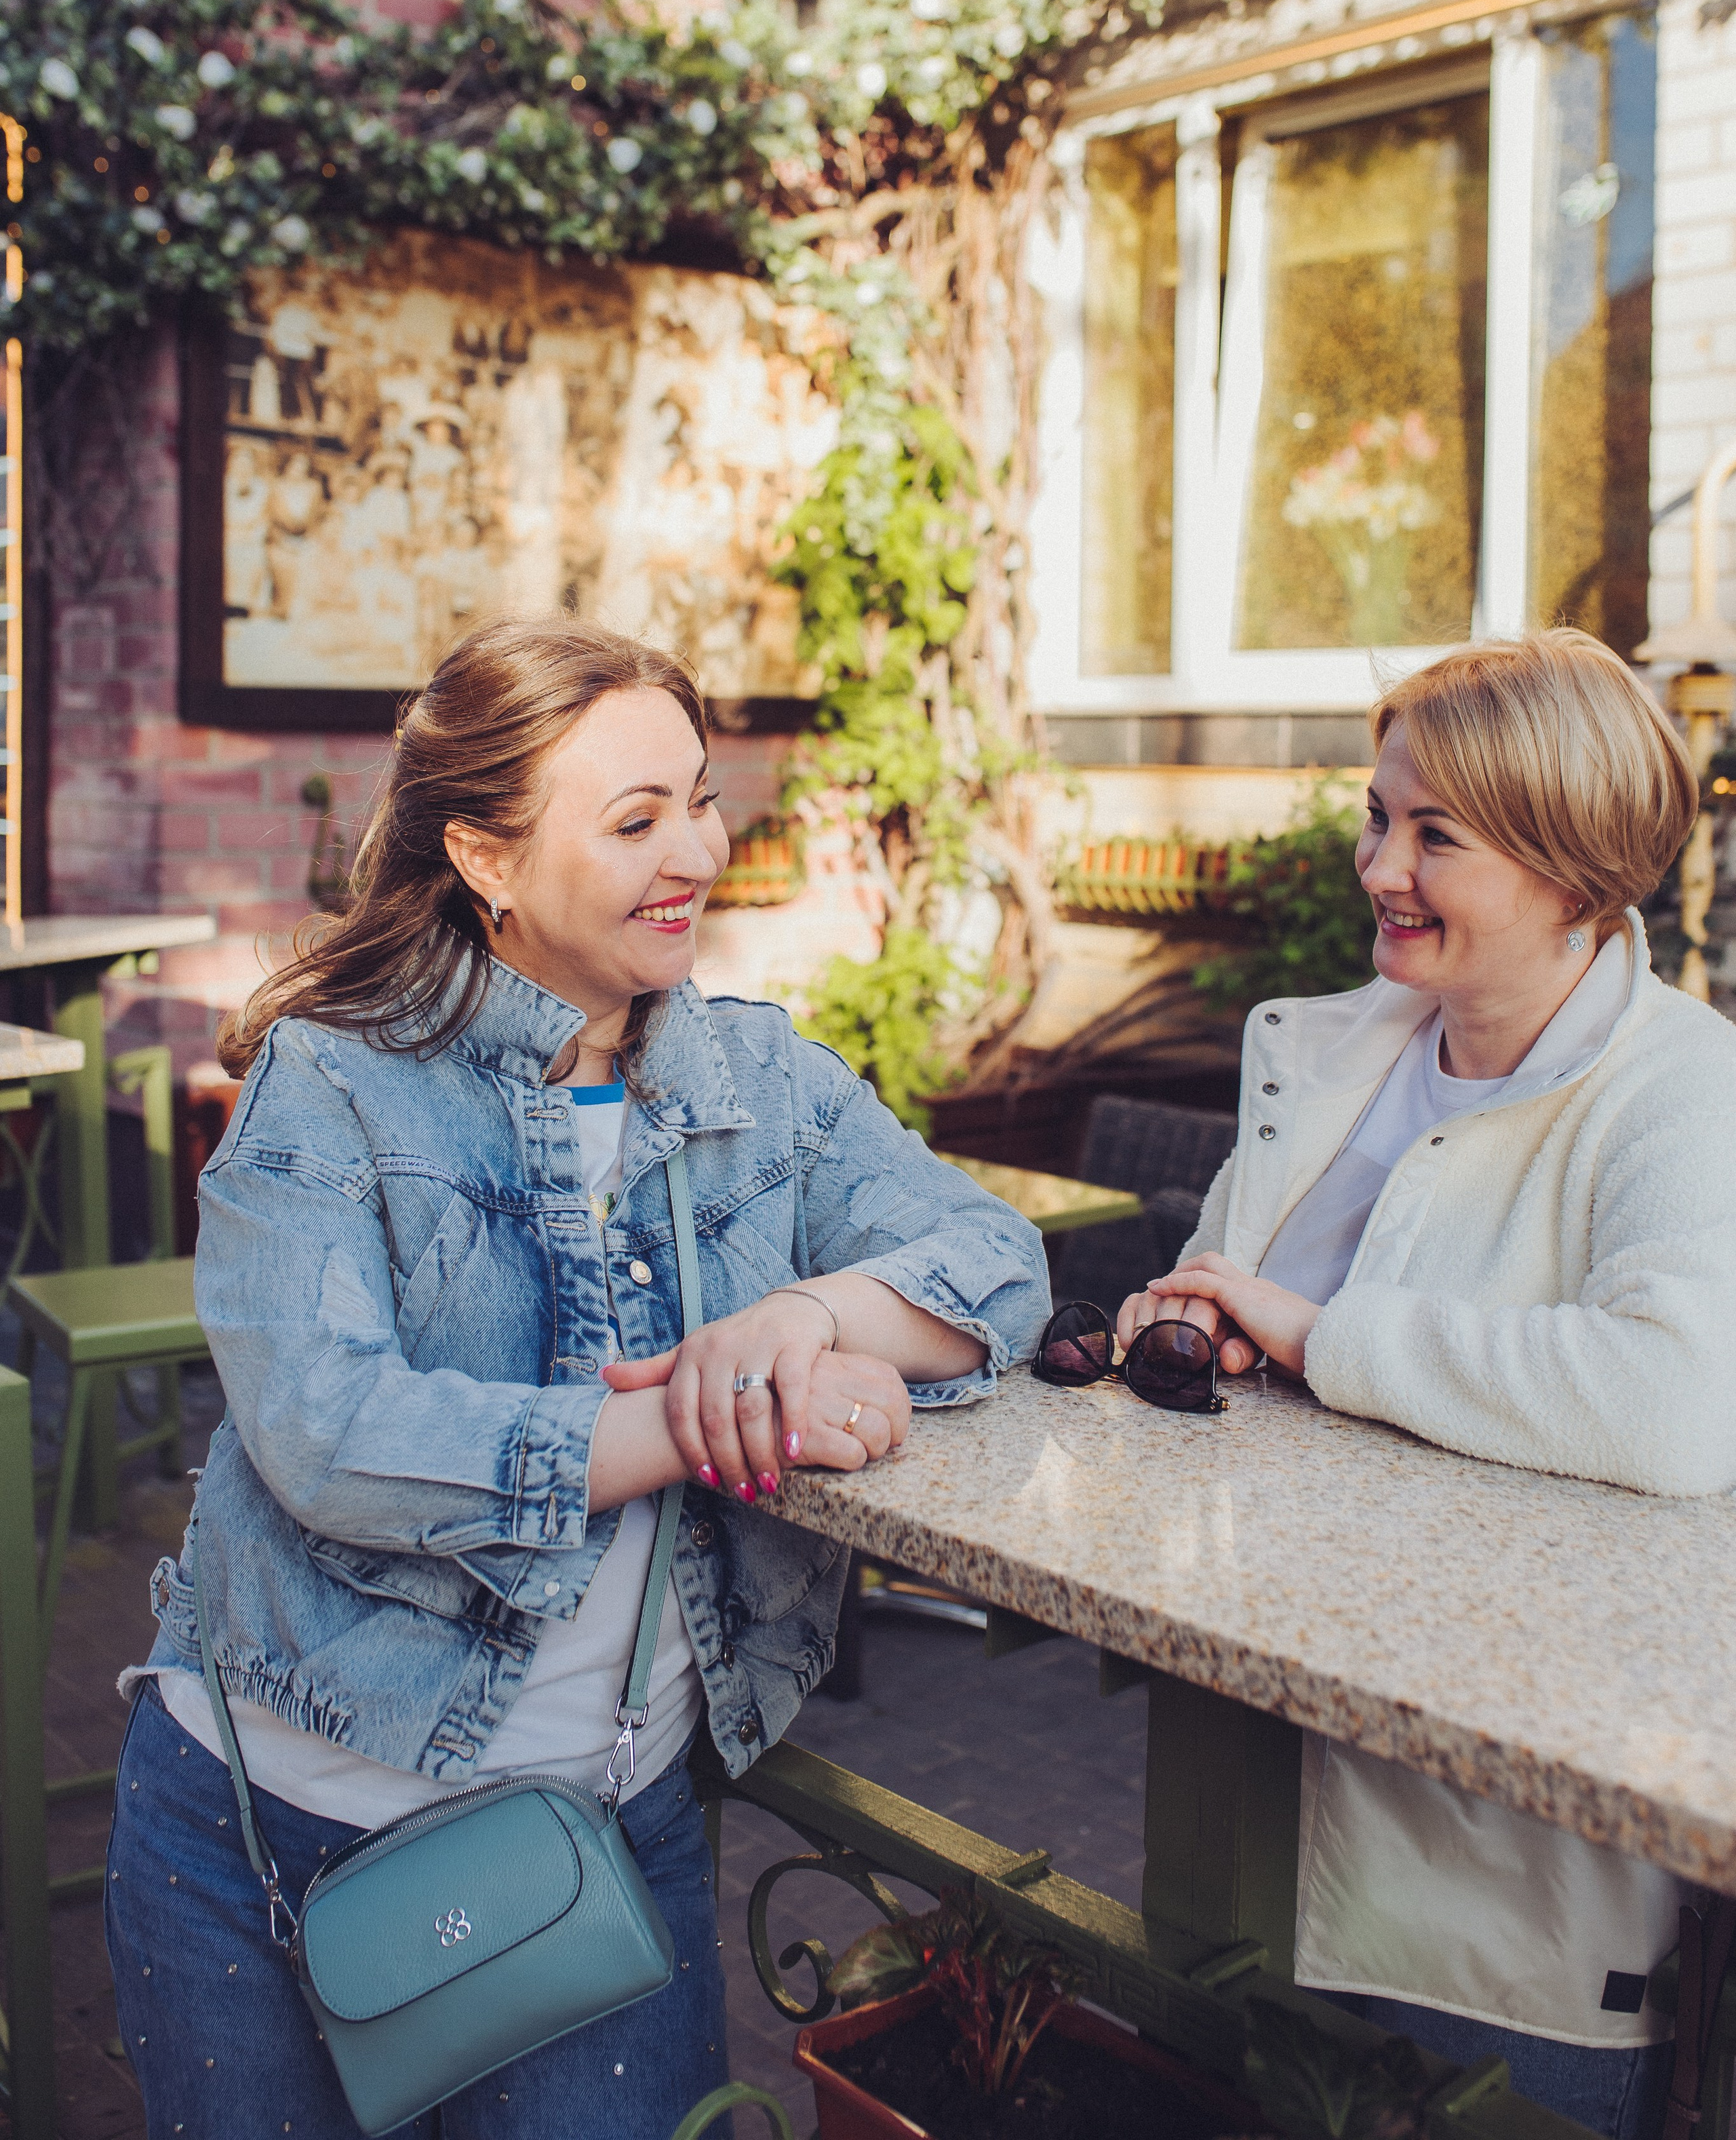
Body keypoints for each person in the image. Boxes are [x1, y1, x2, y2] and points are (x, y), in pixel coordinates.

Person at [108, 616, 1049, 2140]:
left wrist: (802, 1320)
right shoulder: (332, 1079)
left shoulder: (760, 1080)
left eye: (698, 800)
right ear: (484, 856)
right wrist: (699, 1418)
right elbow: (331, 1435)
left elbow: (994, 1263)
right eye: (634, 821)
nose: (694, 851)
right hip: (263, 1829)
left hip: (595, 1835)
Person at [1118, 627, 1734, 2140]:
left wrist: (1322, 1337)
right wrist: (1188, 1325)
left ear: (1578, 873)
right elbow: (1232, 1289)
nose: (1377, 867)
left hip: (1497, 1897)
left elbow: (1673, 1401)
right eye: (1374, 818)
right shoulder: (1332, 1055)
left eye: (1433, 835)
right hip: (1243, 1795)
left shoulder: (1681, 1090)